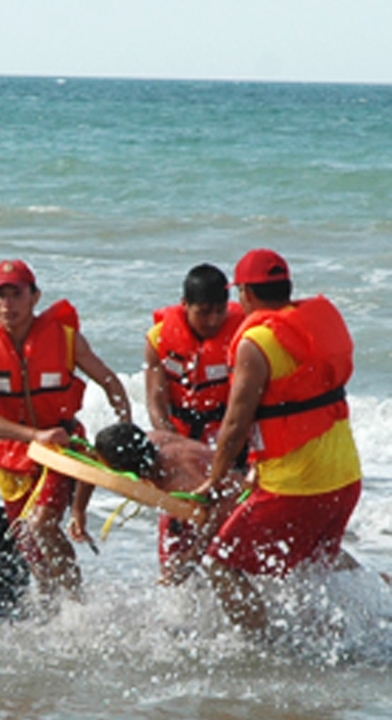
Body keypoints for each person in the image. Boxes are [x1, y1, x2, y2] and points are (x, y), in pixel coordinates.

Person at [193, 249, 362, 632]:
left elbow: (236, 423)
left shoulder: (257, 341)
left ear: (246, 295)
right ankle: (350, 630)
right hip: (345, 476)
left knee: (221, 563)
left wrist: (215, 477)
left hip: (297, 485)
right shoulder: (317, 325)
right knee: (314, 567)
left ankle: (265, 650)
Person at [0, 258, 132, 598]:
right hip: (14, 452)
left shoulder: (66, 339)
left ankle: (76, 605)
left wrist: (124, 426)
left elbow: (110, 381)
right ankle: (50, 610)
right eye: (1, 295)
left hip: (61, 446)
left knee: (41, 524)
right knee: (29, 545)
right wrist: (33, 436)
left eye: (17, 294)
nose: (8, 303)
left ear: (35, 297)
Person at [143, 263, 246, 572]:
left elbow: (247, 407)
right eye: (203, 311)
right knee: (174, 537)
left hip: (230, 441)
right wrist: (172, 445)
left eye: (219, 311)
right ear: (184, 305)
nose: (213, 320)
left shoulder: (244, 338)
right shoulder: (158, 339)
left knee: (226, 533)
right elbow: (155, 400)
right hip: (180, 438)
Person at [85, 422, 245, 584]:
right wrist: (78, 512)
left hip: (233, 507)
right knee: (171, 571)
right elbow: (89, 465)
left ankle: (247, 608)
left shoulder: (182, 480)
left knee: (215, 565)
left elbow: (223, 509)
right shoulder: (150, 440)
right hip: (190, 506)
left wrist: (192, 556)